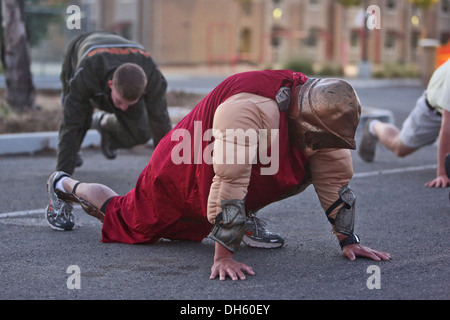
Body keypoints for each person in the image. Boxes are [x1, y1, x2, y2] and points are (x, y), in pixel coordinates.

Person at [46, 70, 391, 281]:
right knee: (127, 216)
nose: (320, 147)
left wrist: (349, 240)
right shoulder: (253, 109)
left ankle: (242, 220)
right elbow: (229, 180)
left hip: (224, 157)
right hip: (183, 165)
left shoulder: (316, 106)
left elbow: (334, 177)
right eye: (317, 139)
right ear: (305, 118)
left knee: (277, 163)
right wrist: (224, 255)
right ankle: (64, 183)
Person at [57, 31, 172, 175]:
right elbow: (70, 123)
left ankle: (104, 124)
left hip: (123, 63)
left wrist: (167, 173)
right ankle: (75, 151)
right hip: (79, 48)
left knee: (142, 132)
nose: (124, 108)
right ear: (111, 84)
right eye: (120, 101)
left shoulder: (153, 77)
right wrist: (61, 178)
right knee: (81, 117)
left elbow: (161, 122)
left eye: (129, 103)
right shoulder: (88, 71)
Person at [359, 59, 450, 188]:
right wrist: (443, 173)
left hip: (445, 112)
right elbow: (447, 128)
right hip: (432, 113)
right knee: (400, 147)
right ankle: (374, 126)